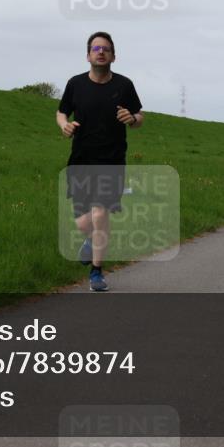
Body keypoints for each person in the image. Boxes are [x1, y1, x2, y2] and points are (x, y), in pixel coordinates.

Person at [57, 32, 143, 292]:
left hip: (112, 160)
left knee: (100, 212)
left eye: (106, 49)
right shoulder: (75, 84)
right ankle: (90, 241)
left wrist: (133, 119)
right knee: (84, 222)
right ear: (88, 55)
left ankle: (96, 272)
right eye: (96, 48)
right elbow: (62, 112)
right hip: (81, 158)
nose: (101, 52)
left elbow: (139, 116)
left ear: (113, 56)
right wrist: (64, 125)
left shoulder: (124, 85)